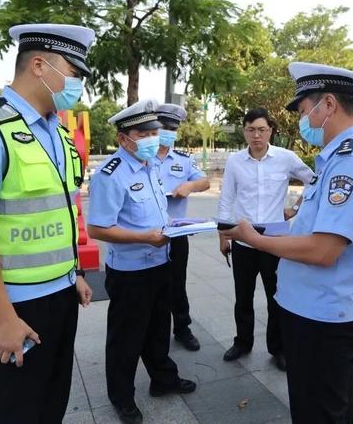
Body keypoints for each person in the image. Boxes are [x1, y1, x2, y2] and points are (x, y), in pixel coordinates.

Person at [220, 62, 353, 423]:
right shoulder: (334, 159)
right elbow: (319, 229)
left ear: (327, 105)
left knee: (320, 412)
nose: (303, 120)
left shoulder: (350, 162)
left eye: (303, 110)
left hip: (322, 317)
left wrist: (256, 241)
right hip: (315, 308)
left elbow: (324, 250)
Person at [0, 23, 94, 423]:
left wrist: (75, 273)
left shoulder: (59, 134)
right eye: (74, 72)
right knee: (14, 412)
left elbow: (63, 211)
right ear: (40, 65)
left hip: (62, 296)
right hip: (15, 306)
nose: (77, 83)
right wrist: (4, 317)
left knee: (50, 405)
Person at [87, 99, 196, 424]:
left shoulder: (151, 168)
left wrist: (173, 228)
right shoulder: (111, 174)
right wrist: (145, 237)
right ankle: (122, 397)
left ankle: (163, 380)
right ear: (123, 138)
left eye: (155, 131)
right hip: (130, 273)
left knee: (159, 329)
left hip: (161, 262)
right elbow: (98, 228)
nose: (152, 138)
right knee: (126, 338)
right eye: (144, 133)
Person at [217, 107, 314, 371]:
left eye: (261, 129)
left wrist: (295, 208)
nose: (256, 135)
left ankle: (278, 348)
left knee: (276, 296)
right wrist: (223, 235)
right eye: (250, 130)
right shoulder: (236, 162)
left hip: (274, 240)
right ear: (244, 131)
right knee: (243, 296)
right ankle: (242, 342)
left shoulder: (285, 158)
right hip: (243, 241)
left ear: (270, 130)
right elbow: (226, 200)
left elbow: (313, 181)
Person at [153, 103, 210, 351]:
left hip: (177, 233)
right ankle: (155, 330)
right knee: (153, 284)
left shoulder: (183, 160)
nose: (169, 132)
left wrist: (189, 187)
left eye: (173, 128)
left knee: (178, 282)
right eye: (164, 127)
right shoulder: (144, 155)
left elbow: (205, 182)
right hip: (150, 234)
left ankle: (182, 328)